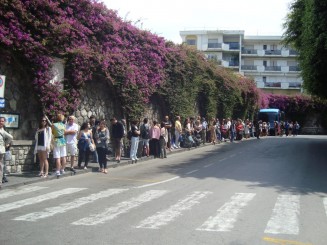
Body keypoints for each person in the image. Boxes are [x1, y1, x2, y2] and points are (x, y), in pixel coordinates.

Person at [46, 114, 67, 178]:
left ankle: (58, 171)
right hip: (62, 140)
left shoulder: (54, 125)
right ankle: (63, 169)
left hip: (57, 140)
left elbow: (51, 132)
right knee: (63, 156)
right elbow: (64, 132)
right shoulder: (63, 125)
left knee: (57, 156)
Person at [0, 117, 13, 189]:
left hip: (1, 151)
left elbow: (11, 137)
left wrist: (5, 144)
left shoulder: (3, 131)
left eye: (2, 121)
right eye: (0, 121)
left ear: (4, 122)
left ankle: (0, 182)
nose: (1, 122)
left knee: (1, 167)